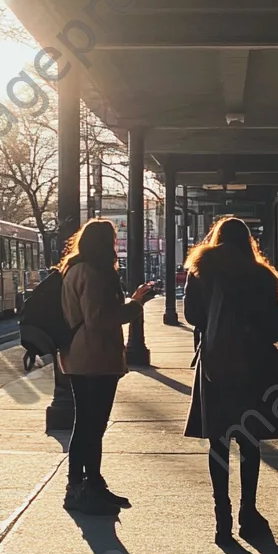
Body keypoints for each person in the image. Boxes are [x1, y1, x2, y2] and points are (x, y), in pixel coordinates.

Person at [183, 216, 278, 545]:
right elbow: (274, 330)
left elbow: (192, 317)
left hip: (214, 366)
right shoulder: (262, 276)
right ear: (248, 242)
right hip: (252, 367)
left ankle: (221, 517)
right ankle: (248, 512)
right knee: (249, 441)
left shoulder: (200, 271)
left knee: (217, 442)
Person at [59, 218, 156, 515]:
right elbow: (99, 318)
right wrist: (137, 303)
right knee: (92, 424)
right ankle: (81, 487)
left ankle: (89, 483)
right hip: (95, 358)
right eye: (113, 240)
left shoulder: (74, 269)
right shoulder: (93, 273)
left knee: (87, 424)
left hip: (79, 357)